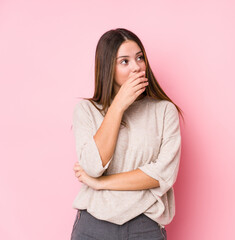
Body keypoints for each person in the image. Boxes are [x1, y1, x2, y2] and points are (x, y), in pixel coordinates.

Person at [70, 28, 183, 240]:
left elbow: (163, 174)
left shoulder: (164, 111)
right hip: (93, 225)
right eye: (125, 61)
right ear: (107, 68)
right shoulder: (86, 111)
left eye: (140, 58)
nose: (137, 67)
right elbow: (93, 166)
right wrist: (118, 106)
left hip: (145, 225)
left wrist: (101, 183)